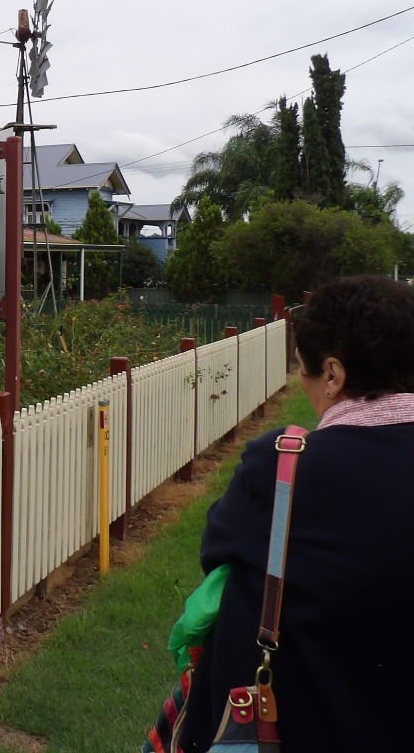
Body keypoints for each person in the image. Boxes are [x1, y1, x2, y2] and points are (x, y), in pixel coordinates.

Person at [174, 275, 414, 751]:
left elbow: (218, 551)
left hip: (309, 722)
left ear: (332, 374)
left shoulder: (284, 466)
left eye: (300, 371)